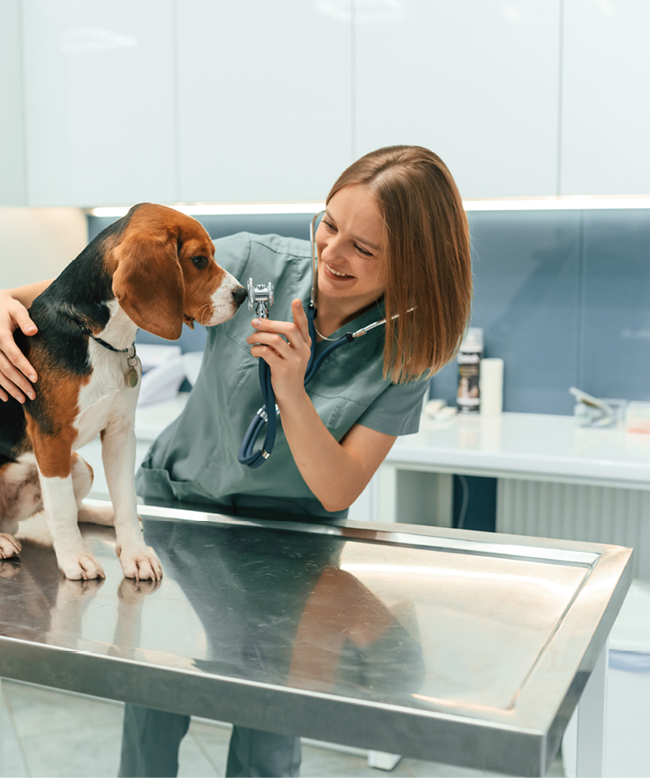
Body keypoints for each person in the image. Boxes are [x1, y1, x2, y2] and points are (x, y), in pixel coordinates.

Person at [0, 145, 472, 777]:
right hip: (179, 513)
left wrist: (291, 390)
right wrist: (2, 305)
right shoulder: (255, 267)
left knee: (269, 737)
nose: (332, 253)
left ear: (412, 265)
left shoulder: (409, 348)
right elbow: (98, 288)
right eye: (329, 224)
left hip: (291, 544)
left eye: (363, 248)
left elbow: (337, 488)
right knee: (155, 705)